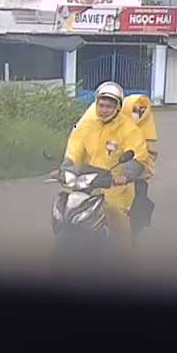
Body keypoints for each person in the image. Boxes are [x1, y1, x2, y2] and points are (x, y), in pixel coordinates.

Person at [61, 82, 148, 251]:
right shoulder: (86, 125)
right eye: (101, 105)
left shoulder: (129, 129)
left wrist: (126, 175)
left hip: (114, 187)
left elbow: (137, 154)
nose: (104, 110)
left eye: (109, 106)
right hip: (87, 182)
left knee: (117, 222)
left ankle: (125, 260)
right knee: (68, 211)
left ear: (118, 107)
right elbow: (74, 148)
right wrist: (66, 168)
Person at [123, 94, 158, 236]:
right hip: (116, 174)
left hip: (138, 177)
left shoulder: (147, 128)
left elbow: (151, 154)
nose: (138, 114)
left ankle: (135, 237)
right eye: (135, 110)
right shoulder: (116, 126)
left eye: (142, 110)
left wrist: (139, 164)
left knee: (137, 206)